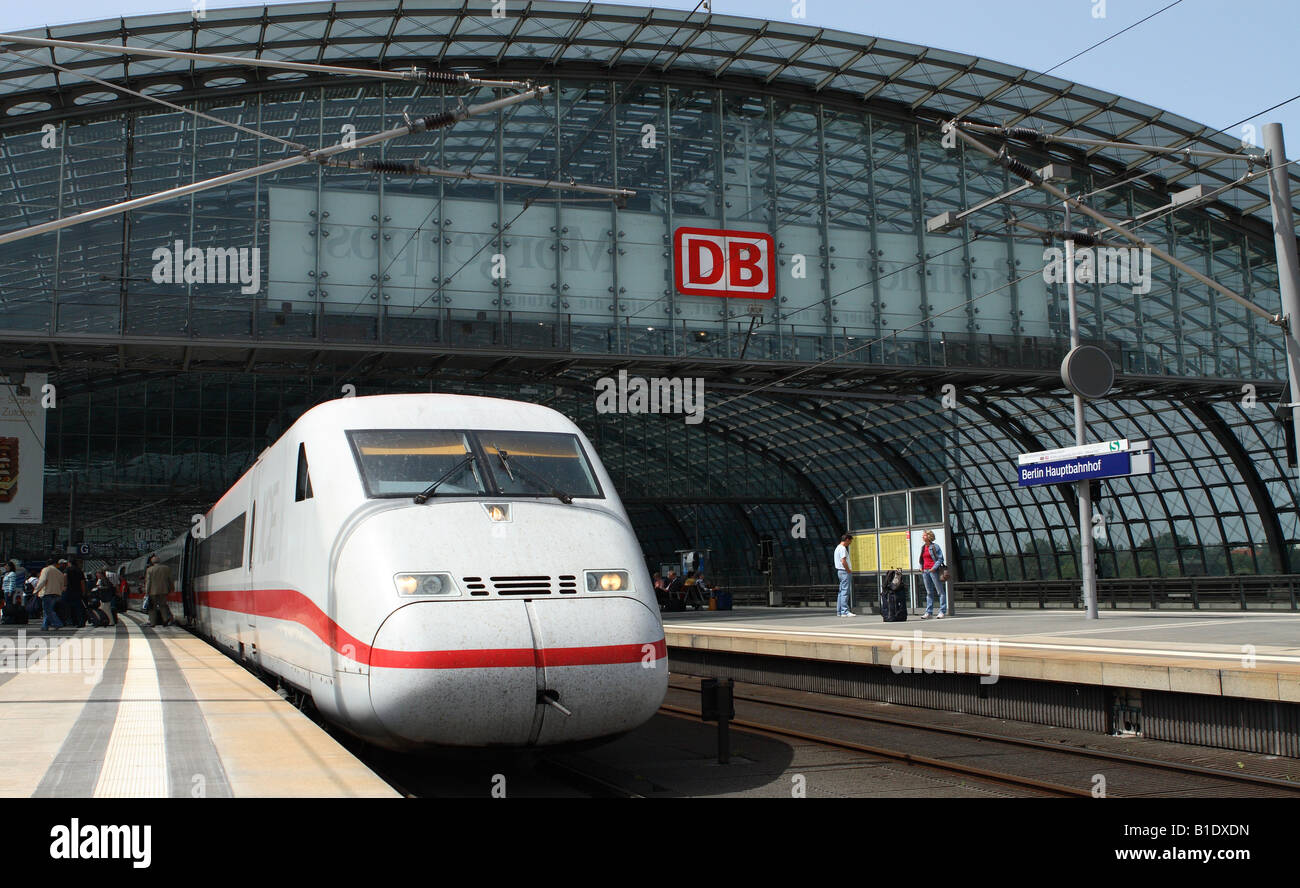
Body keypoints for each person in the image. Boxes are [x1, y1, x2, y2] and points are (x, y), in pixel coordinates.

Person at [918, 530, 947, 619]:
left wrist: (933, 568)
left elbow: (940, 559)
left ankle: (942, 611)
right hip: (925, 572)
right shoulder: (923, 547)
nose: (922, 537)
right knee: (929, 592)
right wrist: (921, 567)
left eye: (924, 535)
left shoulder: (935, 547)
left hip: (933, 571)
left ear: (929, 536)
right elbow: (922, 559)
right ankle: (929, 612)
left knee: (940, 592)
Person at [33, 556, 66, 631]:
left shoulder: (46, 570)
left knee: (48, 610)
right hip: (56, 593)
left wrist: (36, 590)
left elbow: (42, 581)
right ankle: (45, 626)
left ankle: (58, 623)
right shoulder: (59, 573)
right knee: (48, 610)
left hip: (47, 593)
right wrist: (60, 592)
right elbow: (62, 584)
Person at [144, 555, 175, 628]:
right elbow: (170, 580)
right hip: (163, 591)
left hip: (152, 591)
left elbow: (148, 582)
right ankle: (165, 619)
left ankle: (152, 622)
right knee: (163, 605)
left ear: (152, 562)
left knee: (152, 607)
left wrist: (147, 592)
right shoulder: (166, 568)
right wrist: (171, 589)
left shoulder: (150, 570)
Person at [834, 533, 855, 617]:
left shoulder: (837, 548)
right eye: (850, 541)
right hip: (844, 571)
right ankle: (845, 611)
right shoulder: (842, 548)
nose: (850, 543)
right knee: (845, 592)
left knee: (841, 591)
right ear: (847, 540)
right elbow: (843, 561)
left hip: (840, 571)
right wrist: (848, 570)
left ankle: (839, 611)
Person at [63, 558, 86, 628]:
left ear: (69, 563)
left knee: (68, 607)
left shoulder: (67, 569)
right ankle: (80, 622)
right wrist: (84, 591)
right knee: (78, 607)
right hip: (77, 591)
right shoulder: (79, 570)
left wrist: (65, 585)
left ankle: (71, 621)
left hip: (69, 590)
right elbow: (82, 582)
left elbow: (65, 576)